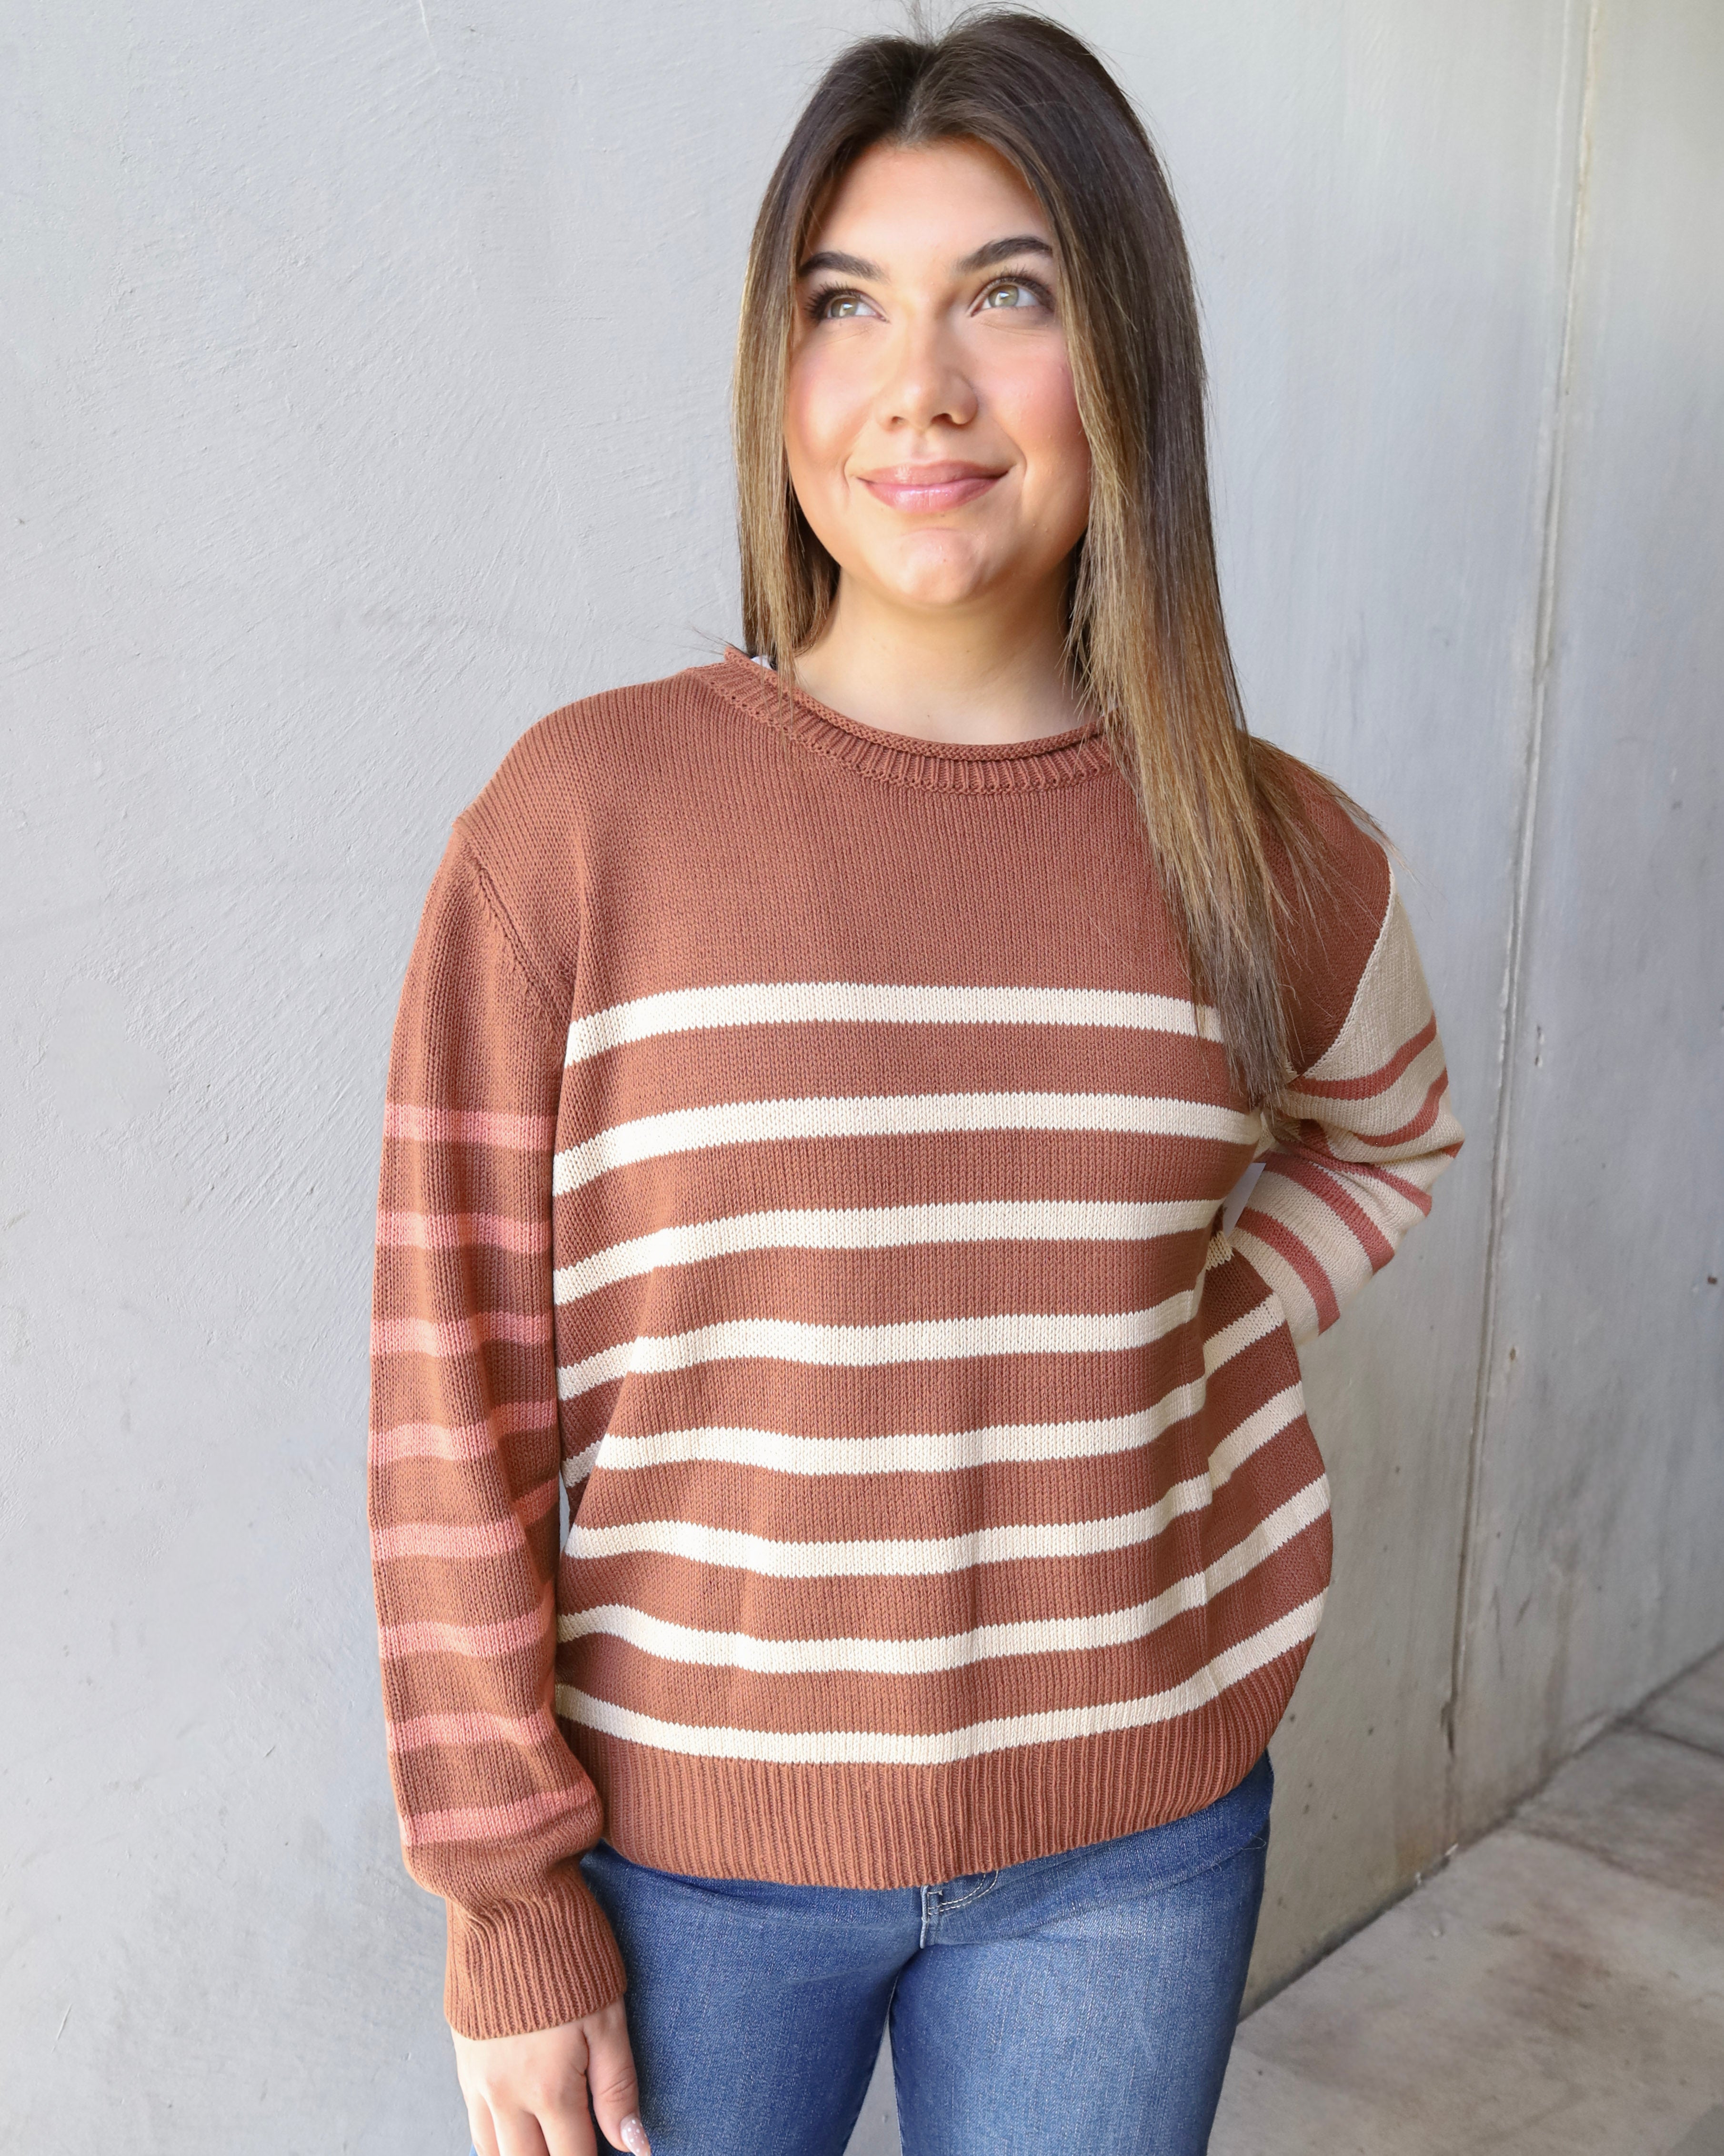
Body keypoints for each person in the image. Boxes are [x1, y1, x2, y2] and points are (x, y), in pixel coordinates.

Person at [366, 12, 1464, 2154]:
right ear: (775, 372)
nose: (920, 385)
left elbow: (1389, 1130)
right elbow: (452, 1386)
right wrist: (506, 1898)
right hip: (678, 1869)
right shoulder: (579, 826)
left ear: (1123, 355)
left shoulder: (1267, 850)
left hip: (1130, 1848)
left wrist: (1189, 1327)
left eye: (1009, 296)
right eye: (845, 304)